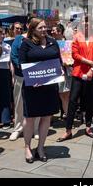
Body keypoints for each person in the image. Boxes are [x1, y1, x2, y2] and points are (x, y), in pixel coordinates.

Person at [19, 18, 62, 163]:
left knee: (46, 117)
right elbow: (21, 64)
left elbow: (58, 60)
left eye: (45, 27)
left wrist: (60, 69)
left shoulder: (52, 42)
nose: (44, 30)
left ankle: (41, 147)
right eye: (40, 28)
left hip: (49, 86)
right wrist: (32, 78)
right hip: (32, 86)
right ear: (32, 29)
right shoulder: (26, 44)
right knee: (29, 117)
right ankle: (27, 147)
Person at [57, 16, 93, 142]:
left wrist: (92, 69)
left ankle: (88, 127)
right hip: (79, 72)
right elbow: (75, 55)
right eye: (83, 22)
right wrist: (89, 63)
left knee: (90, 100)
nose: (86, 24)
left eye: (88, 22)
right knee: (72, 100)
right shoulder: (77, 36)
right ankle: (68, 130)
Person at [9, 16, 39, 141]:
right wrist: (23, 68)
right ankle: (18, 128)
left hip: (36, 76)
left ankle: (35, 129)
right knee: (19, 103)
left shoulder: (40, 40)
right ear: (28, 25)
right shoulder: (19, 39)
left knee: (36, 103)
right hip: (21, 75)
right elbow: (14, 56)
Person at [52, 23, 71, 119]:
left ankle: (69, 116)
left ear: (59, 31)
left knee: (66, 95)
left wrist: (67, 62)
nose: (52, 32)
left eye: (54, 30)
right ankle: (67, 115)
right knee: (61, 95)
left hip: (67, 71)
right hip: (56, 71)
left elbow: (70, 58)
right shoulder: (51, 43)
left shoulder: (67, 43)